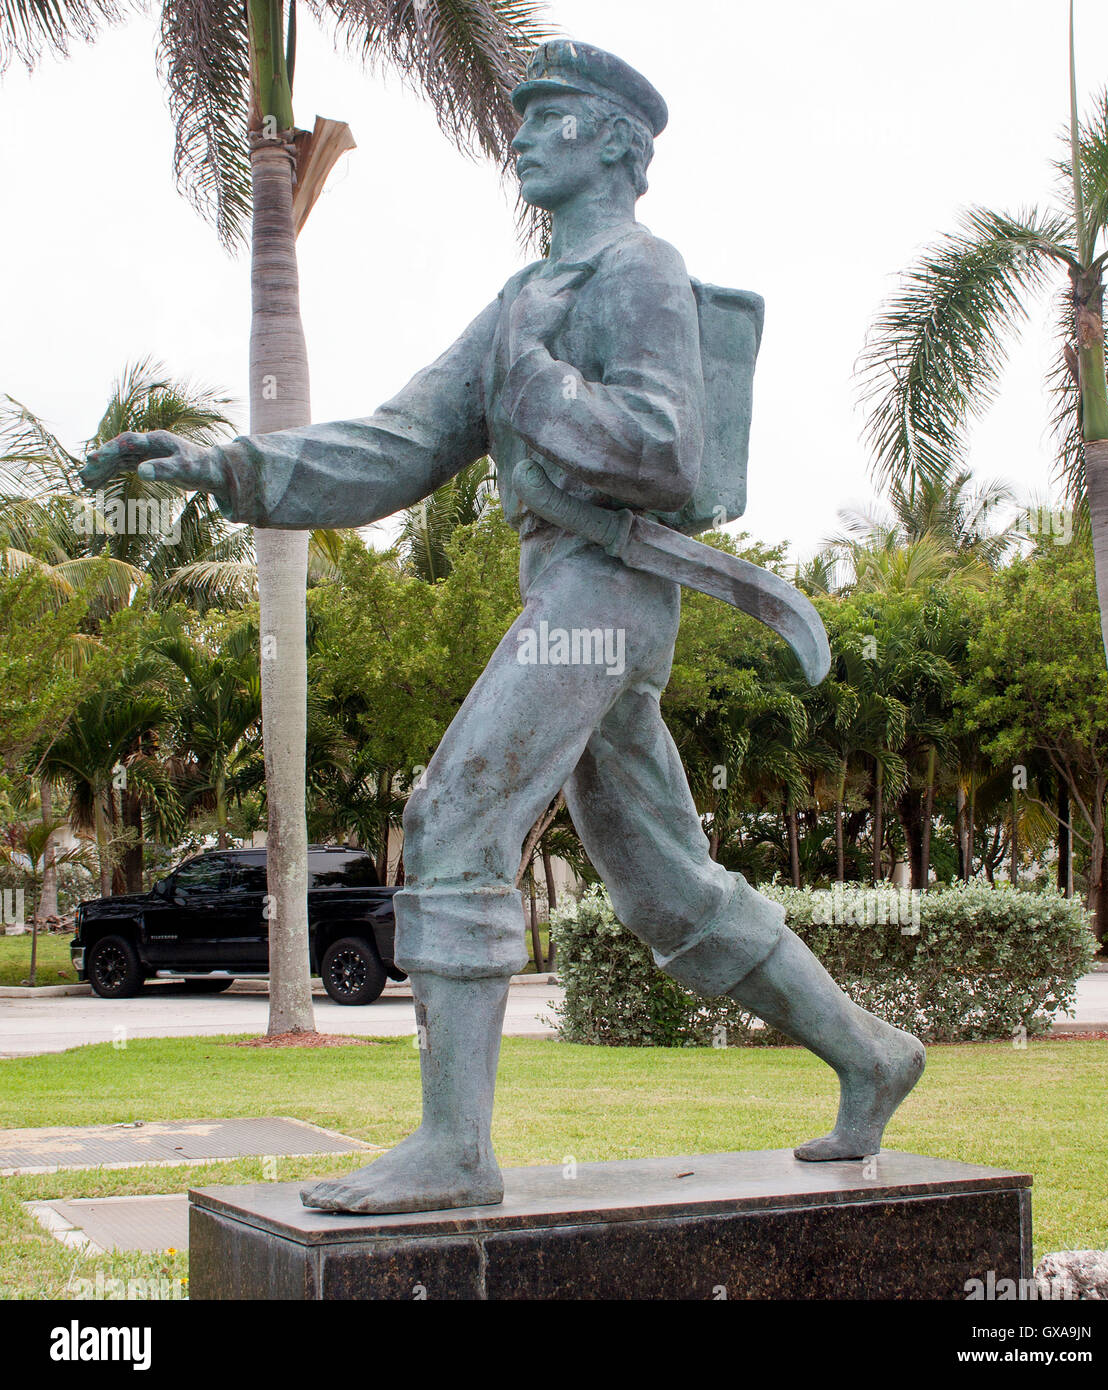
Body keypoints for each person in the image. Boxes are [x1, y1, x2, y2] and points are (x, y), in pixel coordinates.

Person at [83, 41, 925, 1216]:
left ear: (619, 146)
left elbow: (667, 450)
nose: (522, 135)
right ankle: (871, 1054)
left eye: (553, 118)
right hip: (565, 592)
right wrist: (226, 467)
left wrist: (536, 394)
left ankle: (452, 1147)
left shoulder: (638, 271)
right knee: (667, 889)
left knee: (455, 814)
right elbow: (389, 448)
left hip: (608, 594)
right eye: (520, 117)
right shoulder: (522, 301)